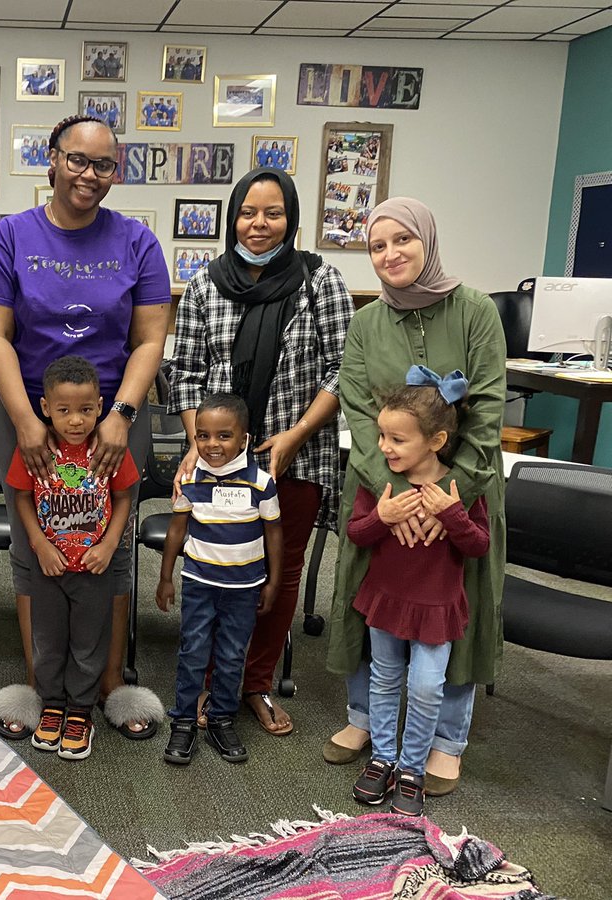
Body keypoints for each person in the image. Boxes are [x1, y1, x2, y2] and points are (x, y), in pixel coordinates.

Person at [0, 114, 171, 743]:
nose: (90, 174)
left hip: (114, 418)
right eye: (77, 160)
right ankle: (41, 683)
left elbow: (150, 338)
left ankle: (107, 682)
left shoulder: (138, 241)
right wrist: (26, 420)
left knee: (107, 546)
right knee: (35, 542)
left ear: (116, 172)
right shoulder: (10, 236)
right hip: (28, 415)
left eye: (104, 165)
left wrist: (123, 415)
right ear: (51, 160)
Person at [325, 198, 506, 798]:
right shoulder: (366, 322)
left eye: (403, 240)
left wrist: (442, 499)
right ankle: (364, 724)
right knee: (366, 599)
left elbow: (485, 412)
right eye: (377, 246)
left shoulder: (476, 310)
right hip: (381, 487)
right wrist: (395, 497)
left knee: (454, 605)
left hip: (463, 490)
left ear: (427, 241)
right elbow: (356, 408)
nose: (390, 254)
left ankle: (446, 740)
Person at [169, 167, 353, 737]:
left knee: (278, 570)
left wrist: (295, 435)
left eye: (273, 213)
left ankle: (254, 683)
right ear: (233, 218)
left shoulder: (320, 281)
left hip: (293, 456)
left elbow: (344, 369)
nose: (259, 224)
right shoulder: (206, 283)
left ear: (291, 219)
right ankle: (204, 686)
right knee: (211, 570)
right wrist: (198, 448)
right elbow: (186, 375)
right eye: (248, 212)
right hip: (217, 459)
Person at [346, 373, 489, 816]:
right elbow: (356, 532)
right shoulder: (383, 484)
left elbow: (479, 546)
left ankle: (412, 768)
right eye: (382, 436)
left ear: (436, 440)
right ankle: (383, 758)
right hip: (386, 600)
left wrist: (453, 516)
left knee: (427, 688)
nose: (385, 447)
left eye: (397, 439)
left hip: (435, 609)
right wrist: (383, 516)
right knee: (384, 680)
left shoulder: (457, 489)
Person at [5, 356, 139, 761]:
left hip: (93, 569)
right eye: (63, 411)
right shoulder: (36, 448)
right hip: (48, 568)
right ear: (46, 408)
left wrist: (109, 544)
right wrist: (40, 545)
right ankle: (51, 705)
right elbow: (22, 497)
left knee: (88, 642)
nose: (75, 421)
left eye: (84, 410)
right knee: (48, 641)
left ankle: (80, 710)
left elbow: (124, 497)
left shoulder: (108, 450)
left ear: (100, 406)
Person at [157, 393, 282, 766]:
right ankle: (183, 721)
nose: (212, 445)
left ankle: (221, 718)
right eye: (203, 436)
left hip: (244, 588)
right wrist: (165, 578)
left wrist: (273, 581)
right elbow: (176, 531)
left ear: (244, 439)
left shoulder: (262, 483)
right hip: (200, 583)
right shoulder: (190, 480)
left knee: (230, 656)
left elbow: (274, 534)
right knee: (193, 652)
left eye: (224, 436)